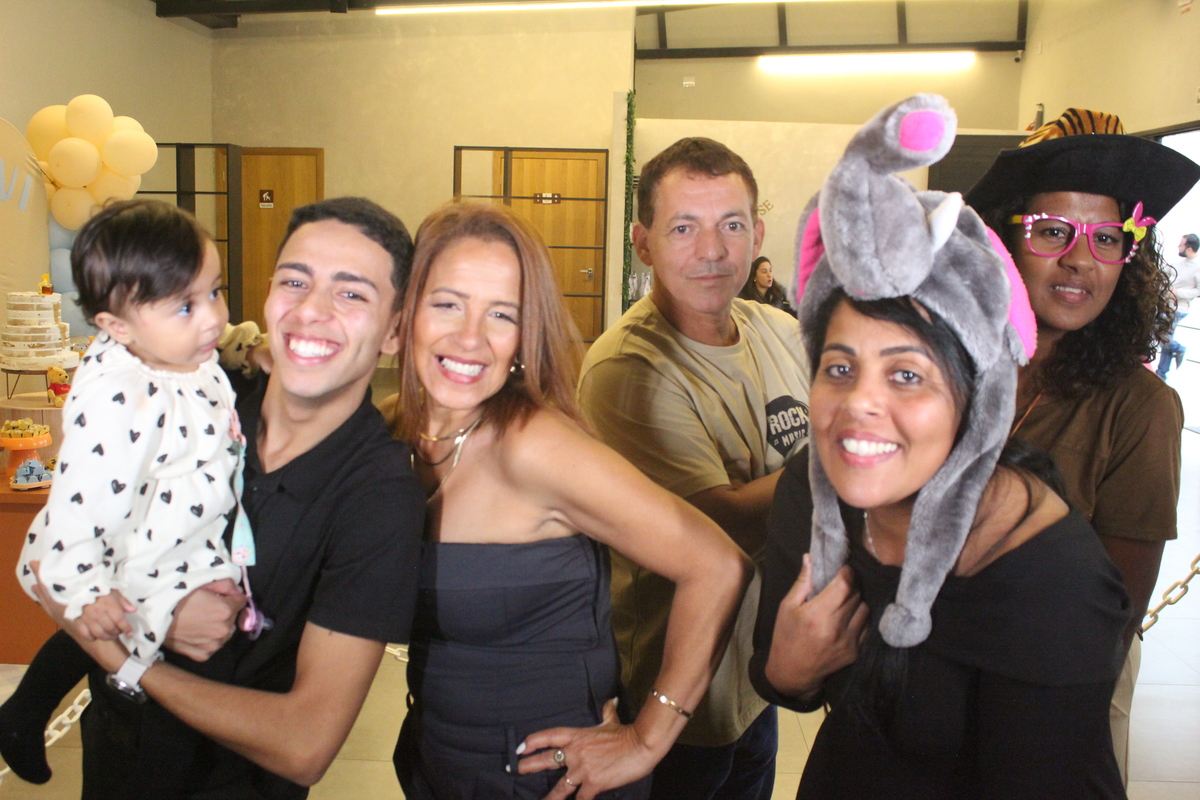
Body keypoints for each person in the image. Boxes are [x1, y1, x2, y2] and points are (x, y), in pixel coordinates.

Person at [752, 94, 1129, 799]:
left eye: (906, 374)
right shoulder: (812, 487)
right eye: (839, 367)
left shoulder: (1053, 581)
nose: (859, 405)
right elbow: (783, 684)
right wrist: (788, 668)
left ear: (976, 397)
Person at [28, 196, 426, 799]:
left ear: (395, 329)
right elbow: (51, 557)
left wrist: (127, 658)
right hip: (113, 760)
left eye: (351, 294)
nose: (310, 311)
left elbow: (305, 745)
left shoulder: (379, 496)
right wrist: (157, 615)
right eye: (295, 281)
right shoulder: (196, 393)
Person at [385, 202, 751, 800]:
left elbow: (717, 565)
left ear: (523, 337)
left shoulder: (535, 447)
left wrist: (647, 738)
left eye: (501, 314)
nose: (470, 337)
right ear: (405, 314)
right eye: (447, 304)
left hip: (548, 779)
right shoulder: (394, 432)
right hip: (438, 760)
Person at [966, 107, 1200, 783]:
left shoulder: (1140, 408)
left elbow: (1115, 613)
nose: (1079, 260)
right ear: (1005, 242)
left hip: (1052, 694)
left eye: (1105, 239)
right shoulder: (946, 367)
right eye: (1053, 232)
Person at [577, 137, 810, 799]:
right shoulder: (629, 368)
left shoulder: (778, 332)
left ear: (757, 235)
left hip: (754, 680)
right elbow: (719, 523)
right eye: (684, 228)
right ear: (643, 243)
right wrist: (842, 459)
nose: (713, 251)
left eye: (731, 225)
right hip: (671, 695)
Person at [1, 200, 253, 791]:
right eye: (186, 305)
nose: (212, 318)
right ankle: (32, 715)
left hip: (173, 528)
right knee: (141, 663)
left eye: (215, 292)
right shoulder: (121, 397)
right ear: (117, 326)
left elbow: (214, 370)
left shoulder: (177, 352)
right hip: (133, 545)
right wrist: (83, 588)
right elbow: (79, 503)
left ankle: (27, 711)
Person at [1156, 233, 1199, 378]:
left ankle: (1178, 350)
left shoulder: (1198, 266)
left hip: (1179, 308)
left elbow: (1198, 291)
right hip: (1166, 304)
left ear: (1189, 249)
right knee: (1164, 337)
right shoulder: (1178, 261)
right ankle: (1161, 374)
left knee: (1164, 337)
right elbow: (1164, 272)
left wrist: (1178, 292)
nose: (1178, 247)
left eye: (1181, 245)